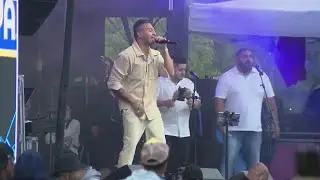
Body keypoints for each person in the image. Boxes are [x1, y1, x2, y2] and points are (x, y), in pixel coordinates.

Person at [107, 19, 174, 167]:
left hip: (151, 108)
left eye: (154, 30)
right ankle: (121, 177)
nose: (154, 33)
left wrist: (165, 49)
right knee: (130, 147)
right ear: (139, 33)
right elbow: (113, 83)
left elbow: (171, 73)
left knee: (160, 147)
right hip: (131, 109)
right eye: (150, 30)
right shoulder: (126, 56)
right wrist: (133, 101)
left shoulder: (156, 55)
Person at [215, 48, 280, 178]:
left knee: (255, 165)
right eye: (245, 56)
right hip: (232, 129)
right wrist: (221, 123)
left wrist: (275, 123)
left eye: (251, 56)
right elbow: (219, 101)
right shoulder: (227, 77)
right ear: (237, 58)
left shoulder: (261, 76)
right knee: (228, 163)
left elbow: (270, 101)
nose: (249, 59)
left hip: (255, 129)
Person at [157, 59, 201, 172]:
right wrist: (166, 102)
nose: (183, 72)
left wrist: (192, 102)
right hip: (164, 129)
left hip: (183, 130)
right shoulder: (160, 82)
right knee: (162, 161)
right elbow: (150, 102)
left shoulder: (188, 83)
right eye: (180, 69)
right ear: (172, 68)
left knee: (179, 161)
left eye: (184, 70)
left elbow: (198, 102)